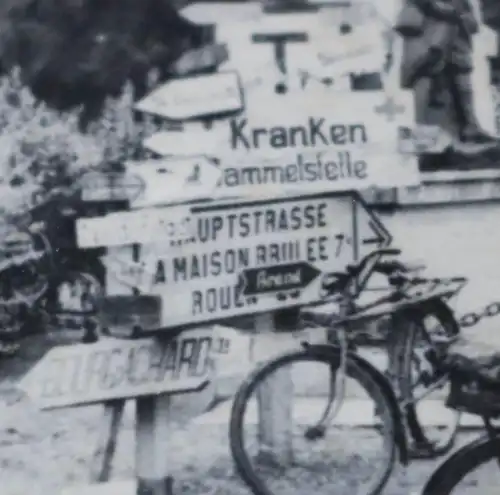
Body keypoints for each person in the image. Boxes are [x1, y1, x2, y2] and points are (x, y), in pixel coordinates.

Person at [396, 0, 499, 153]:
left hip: (453, 28)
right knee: (429, 75)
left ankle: (465, 130)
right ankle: (430, 134)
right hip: (429, 28)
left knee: (459, 75)